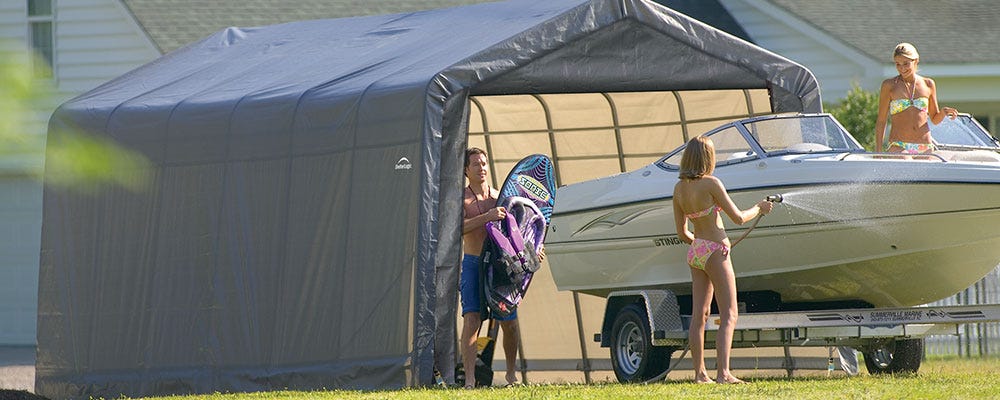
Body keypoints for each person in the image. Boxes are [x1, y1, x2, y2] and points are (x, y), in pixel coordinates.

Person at [672, 136, 773, 384]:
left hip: (696, 251)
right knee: (729, 313)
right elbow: (739, 218)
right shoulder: (711, 184)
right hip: (716, 250)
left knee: (699, 315)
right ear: (707, 158)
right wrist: (759, 208)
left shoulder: (679, 189)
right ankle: (724, 374)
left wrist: (700, 245)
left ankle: (699, 374)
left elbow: (681, 232)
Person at [459, 147, 519, 389]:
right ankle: (470, 379)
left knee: (510, 322)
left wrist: (533, 251)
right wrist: (487, 217)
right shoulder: (461, 198)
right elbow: (458, 228)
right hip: (473, 264)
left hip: (499, 266)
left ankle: (512, 376)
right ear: (466, 170)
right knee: (472, 320)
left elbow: (518, 229)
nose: (482, 168)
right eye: (476, 164)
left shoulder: (500, 196)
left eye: (484, 163)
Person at [875, 42, 959, 154]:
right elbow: (881, 120)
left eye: (906, 63)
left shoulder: (928, 84)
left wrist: (944, 112)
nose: (902, 68)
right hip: (899, 145)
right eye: (898, 64)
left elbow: (934, 119)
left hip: (925, 145)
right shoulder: (889, 85)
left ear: (916, 61)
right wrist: (878, 151)